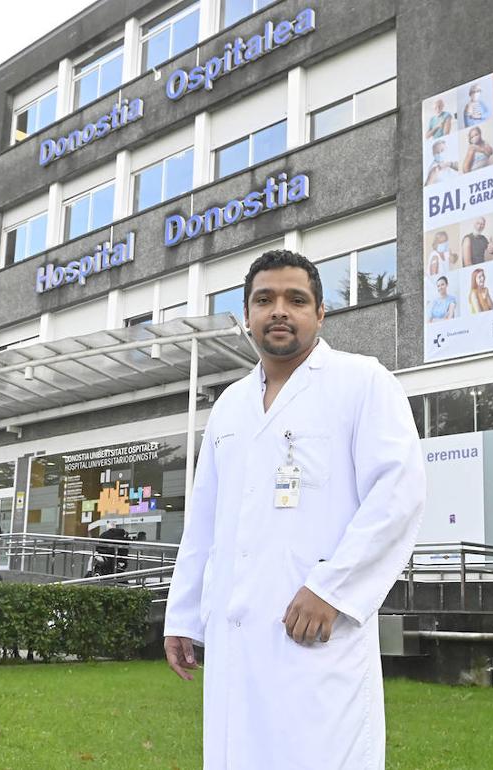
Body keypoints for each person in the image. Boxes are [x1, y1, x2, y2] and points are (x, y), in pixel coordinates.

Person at [163, 249, 426, 769]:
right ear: (246, 316)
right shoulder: (230, 405)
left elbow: (399, 493)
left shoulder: (362, 382)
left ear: (321, 313)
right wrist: (184, 614)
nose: (279, 310)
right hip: (237, 636)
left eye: (295, 299)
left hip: (315, 633)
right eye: (264, 300)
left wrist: (332, 589)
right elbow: (204, 521)